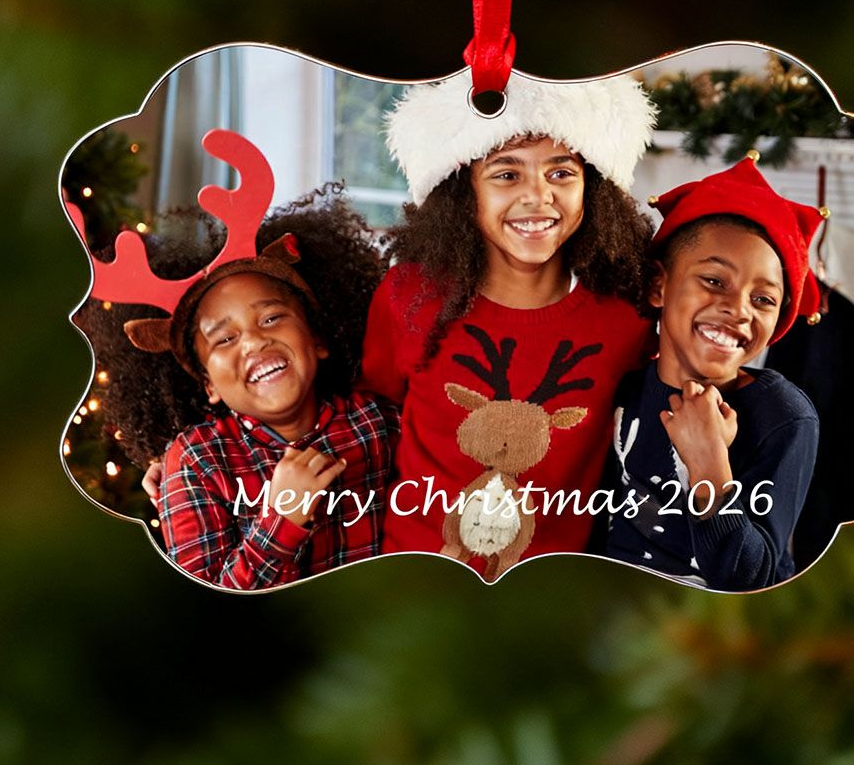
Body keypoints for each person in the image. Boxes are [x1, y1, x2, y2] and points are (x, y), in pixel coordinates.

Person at [360, 68, 658, 581]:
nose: (538, 196)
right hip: (412, 582)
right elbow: (373, 413)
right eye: (507, 173)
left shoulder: (625, 321)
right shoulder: (408, 297)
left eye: (561, 173)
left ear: (592, 189)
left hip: (550, 595)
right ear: (464, 192)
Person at [70, 130, 397, 590]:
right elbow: (209, 614)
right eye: (223, 340)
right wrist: (282, 520)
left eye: (271, 319)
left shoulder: (379, 423)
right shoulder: (199, 463)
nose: (253, 344)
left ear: (318, 338)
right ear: (207, 383)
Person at [605, 156, 823, 590]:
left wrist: (709, 466)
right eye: (714, 281)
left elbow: (752, 581)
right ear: (658, 286)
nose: (738, 310)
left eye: (763, 300)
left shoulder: (783, 419)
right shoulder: (624, 388)